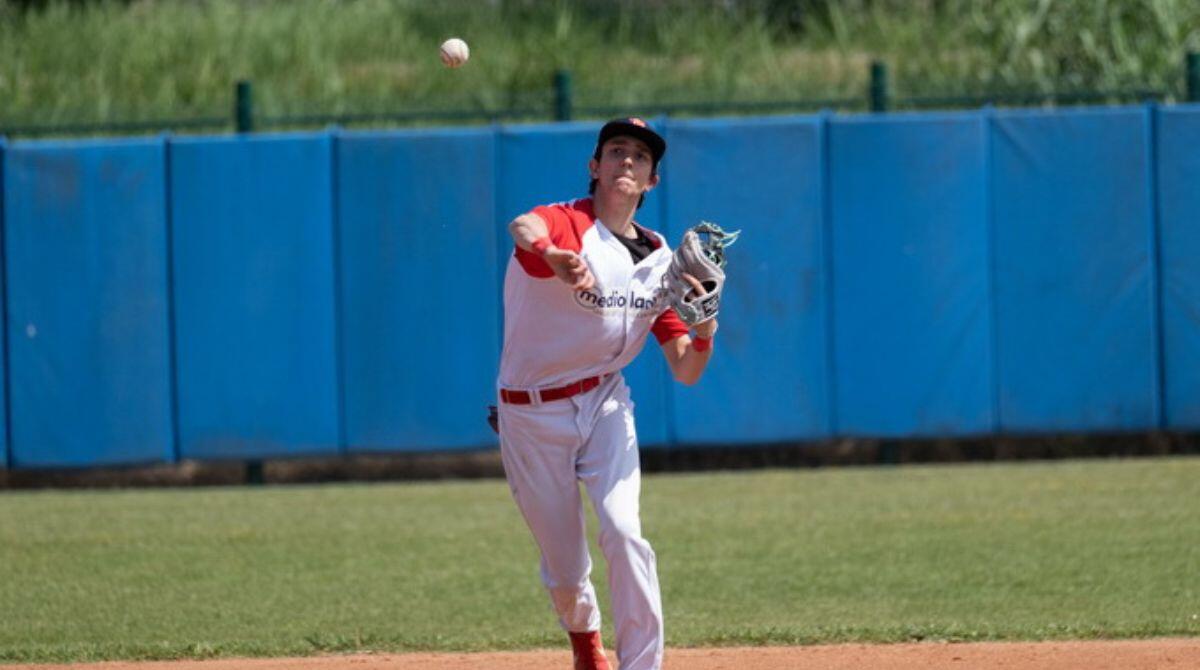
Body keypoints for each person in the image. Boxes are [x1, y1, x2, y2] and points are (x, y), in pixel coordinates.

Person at [494, 118, 718, 670]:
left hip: (605, 402)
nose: (627, 161)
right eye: (616, 151)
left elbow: (686, 369)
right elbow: (522, 225)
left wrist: (708, 325)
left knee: (623, 531)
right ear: (595, 168)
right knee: (567, 571)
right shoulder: (568, 225)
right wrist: (550, 254)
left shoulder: (661, 263)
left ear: (651, 182)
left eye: (640, 157)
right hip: (531, 412)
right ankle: (585, 640)